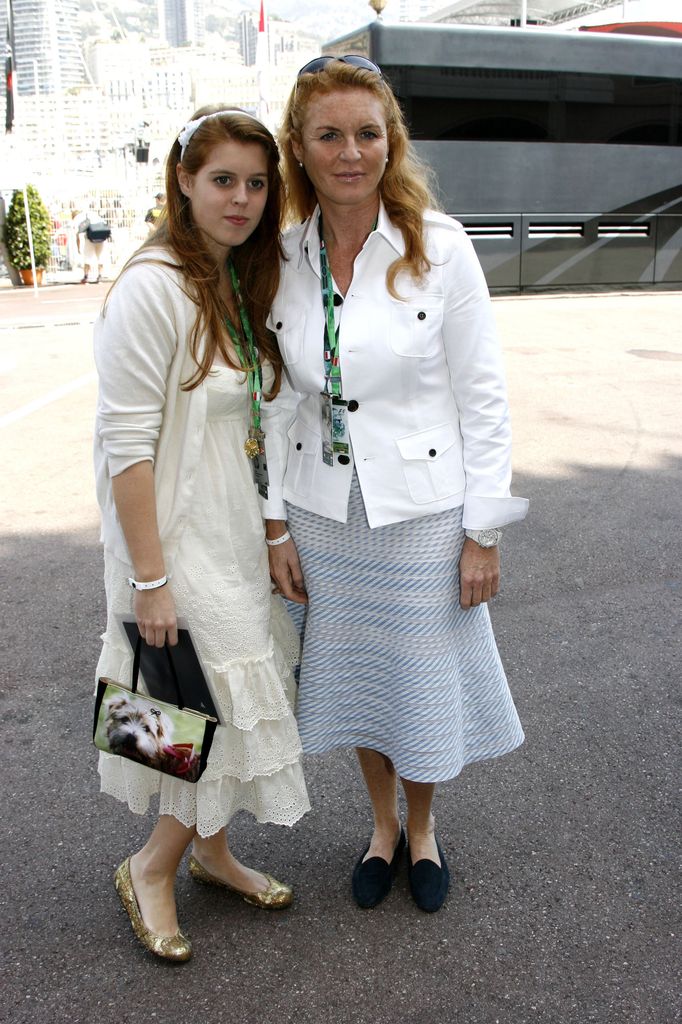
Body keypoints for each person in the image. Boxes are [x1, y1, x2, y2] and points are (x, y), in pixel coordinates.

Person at [263, 57, 529, 914]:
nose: (350, 152)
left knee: (415, 679)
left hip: (421, 512)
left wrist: (483, 531)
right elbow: (273, 405)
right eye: (329, 135)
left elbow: (485, 402)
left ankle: (422, 829)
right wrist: (275, 526)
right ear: (299, 149)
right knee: (354, 678)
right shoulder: (282, 255)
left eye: (367, 134)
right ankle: (378, 825)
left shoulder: (440, 248)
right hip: (321, 510)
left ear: (392, 142)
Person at [93, 105, 309, 962]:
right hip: (170, 541)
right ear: (182, 180)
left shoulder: (222, 277)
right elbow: (126, 449)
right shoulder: (152, 285)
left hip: (225, 530)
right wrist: (149, 579)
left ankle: (212, 851)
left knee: (201, 701)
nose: (242, 199)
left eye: (257, 184)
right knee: (200, 704)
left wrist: (267, 527)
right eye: (223, 179)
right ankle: (151, 867)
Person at [77, 206, 111, 283]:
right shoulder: (99, 218)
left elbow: (78, 233)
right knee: (101, 257)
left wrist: (78, 247)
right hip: (102, 239)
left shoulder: (83, 218)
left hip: (90, 239)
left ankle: (86, 276)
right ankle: (100, 276)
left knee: (88, 257)